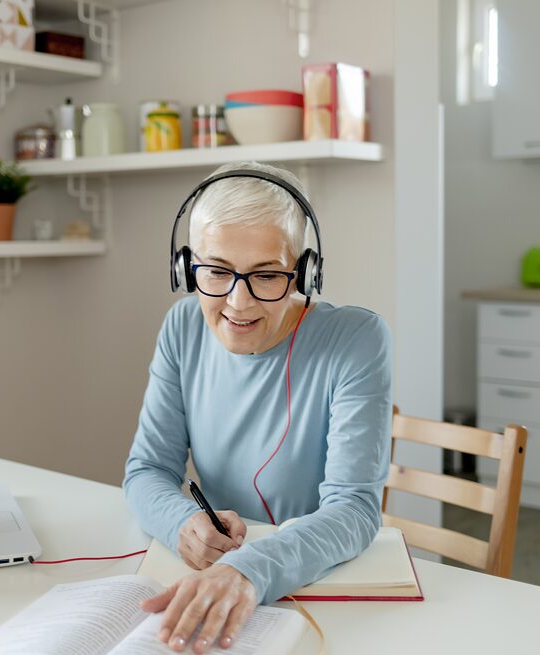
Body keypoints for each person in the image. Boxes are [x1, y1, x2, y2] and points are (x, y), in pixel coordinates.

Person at [123, 161, 392, 654]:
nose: (239, 302)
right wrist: (184, 522)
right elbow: (147, 469)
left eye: (267, 275)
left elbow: (354, 508)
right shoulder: (183, 326)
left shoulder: (356, 338)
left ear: (305, 271)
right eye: (218, 271)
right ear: (187, 267)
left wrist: (246, 570)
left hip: (319, 590)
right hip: (210, 582)